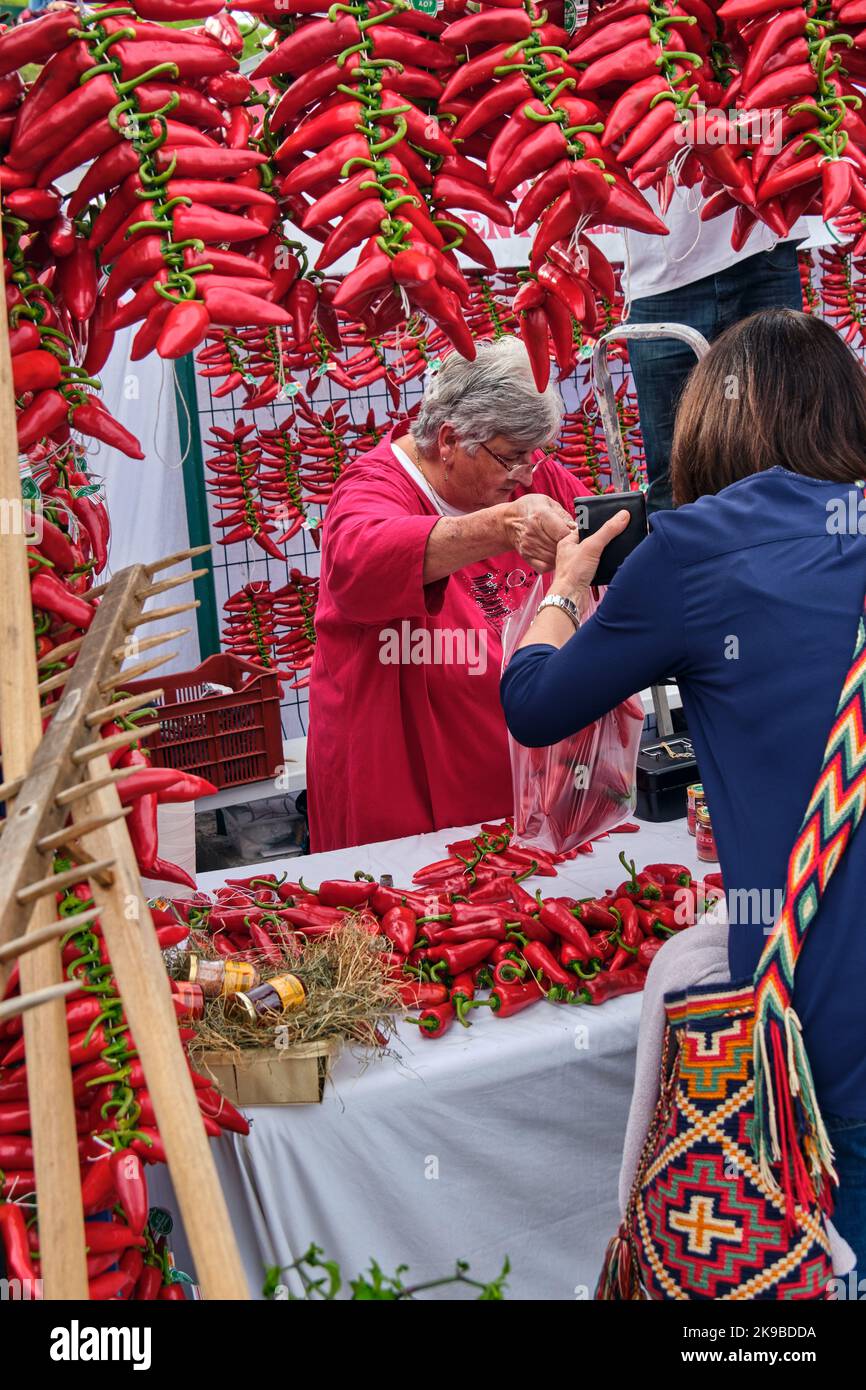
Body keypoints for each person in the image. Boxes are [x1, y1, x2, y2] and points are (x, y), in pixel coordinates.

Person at [500, 308, 866, 1270]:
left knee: (829, 1244)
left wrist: (567, 589)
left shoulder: (698, 548)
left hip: (823, 993)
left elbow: (534, 703)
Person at [307, 337, 591, 852]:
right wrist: (503, 524)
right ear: (448, 440)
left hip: (518, 781)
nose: (527, 474)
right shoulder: (374, 486)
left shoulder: (533, 475)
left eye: (533, 455)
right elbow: (358, 566)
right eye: (510, 459)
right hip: (401, 784)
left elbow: (599, 546)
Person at [624, 186, 806, 514]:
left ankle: (792, 560)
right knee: (673, 470)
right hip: (665, 273)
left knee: (788, 448)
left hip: (764, 244)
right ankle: (687, 561)